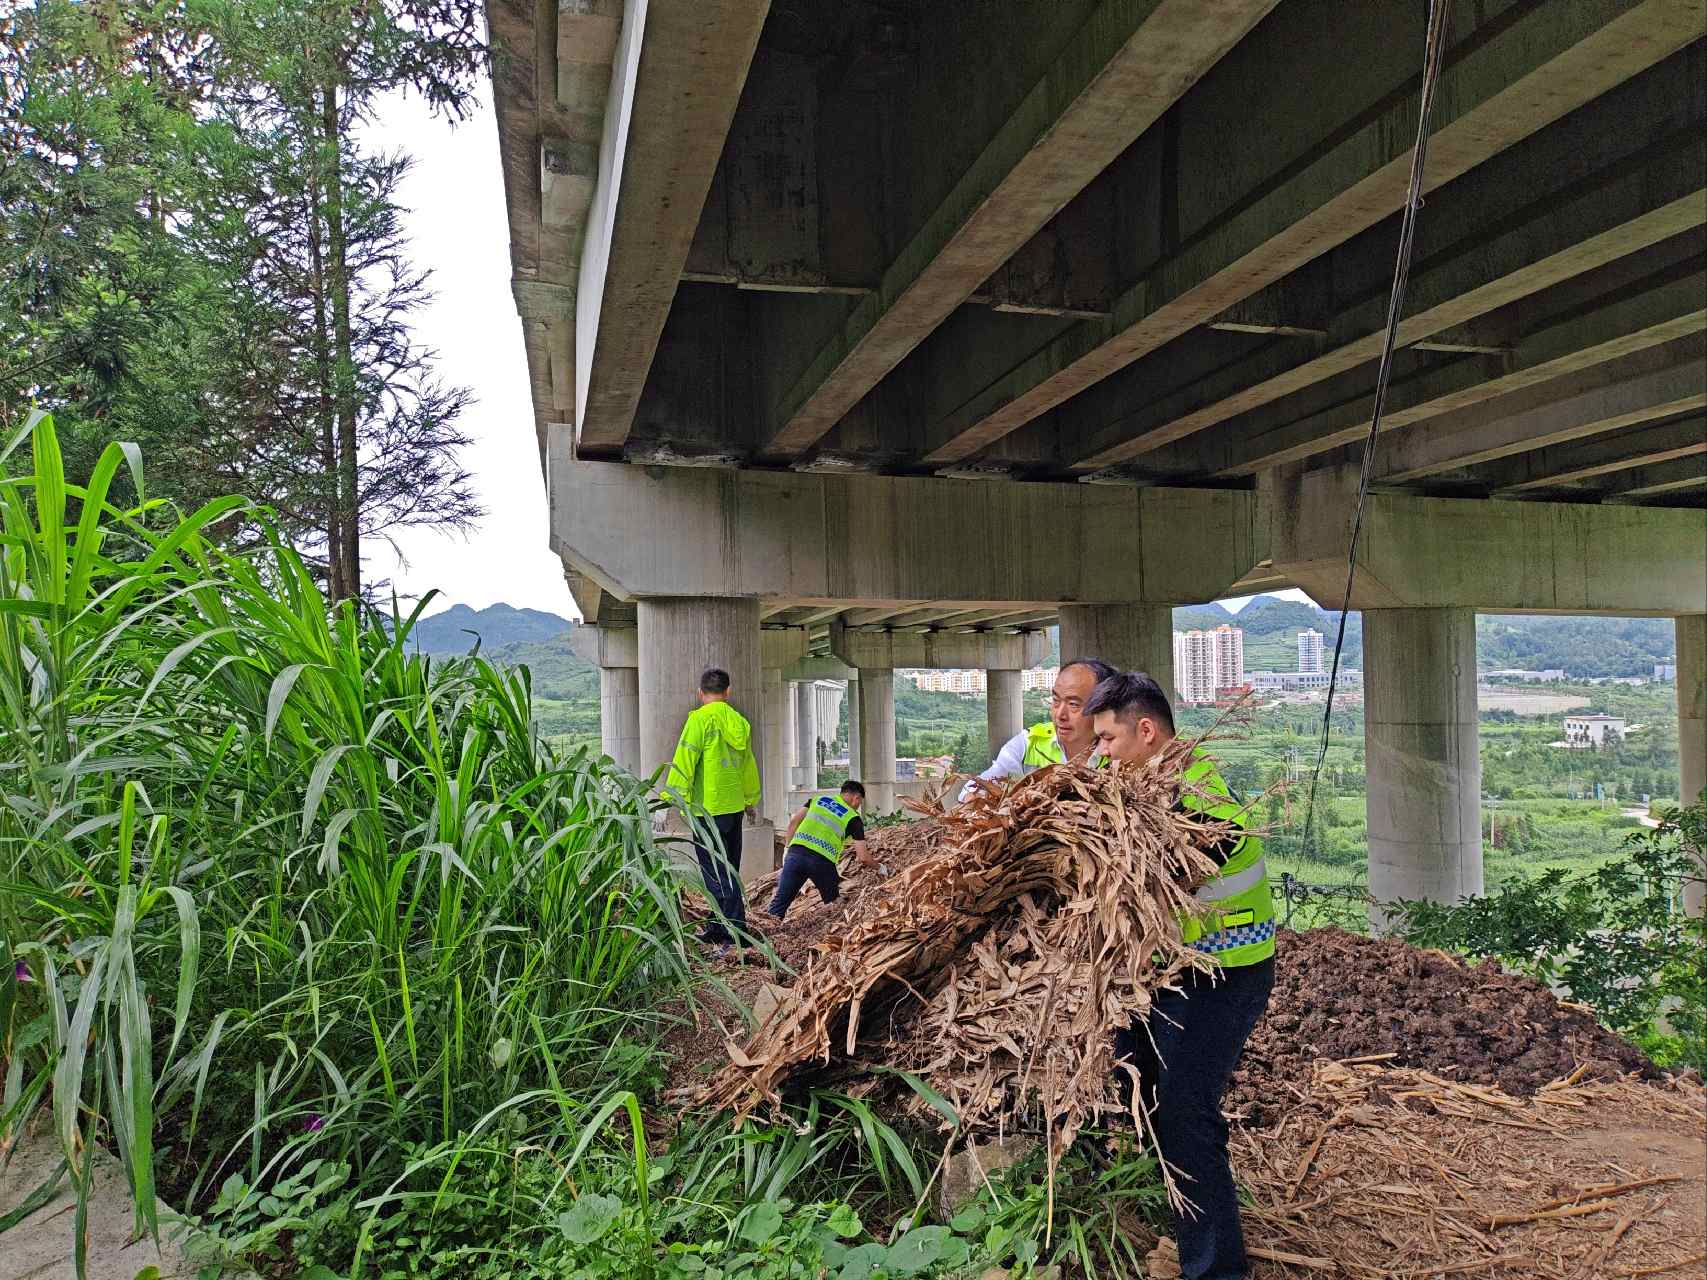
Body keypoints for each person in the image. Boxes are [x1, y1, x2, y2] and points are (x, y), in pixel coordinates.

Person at [1085, 671, 1274, 1280]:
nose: (1102, 753)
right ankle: (1166, 1208)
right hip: (1179, 972)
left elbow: (1165, 874)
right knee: (1130, 1073)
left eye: (1109, 739)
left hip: (1225, 975)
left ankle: (1217, 1268)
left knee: (1186, 1110)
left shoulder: (1196, 797)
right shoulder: (1154, 787)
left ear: (1146, 731)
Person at [665, 667, 762, 955]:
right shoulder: (739, 722)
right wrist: (749, 799)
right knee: (729, 868)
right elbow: (748, 766)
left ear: (700, 692)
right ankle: (719, 927)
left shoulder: (699, 720)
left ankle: (735, 934)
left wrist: (677, 797)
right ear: (728, 692)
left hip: (708, 811)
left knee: (715, 874)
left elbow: (684, 760)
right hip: (733, 808)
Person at [958, 657, 1117, 802]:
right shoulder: (1029, 743)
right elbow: (972, 788)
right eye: (1055, 700)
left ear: (1101, 707)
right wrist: (975, 800)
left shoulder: (1117, 750)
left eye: (1073, 704)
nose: (1059, 714)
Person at [765, 780, 874, 921]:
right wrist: (880, 867)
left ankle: (764, 938)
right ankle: (839, 935)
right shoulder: (853, 818)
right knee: (836, 904)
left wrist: (787, 848)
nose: (858, 806)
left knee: (779, 904)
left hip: (795, 855)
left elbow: (794, 822)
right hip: (821, 862)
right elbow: (863, 857)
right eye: (860, 802)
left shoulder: (817, 800)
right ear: (856, 798)